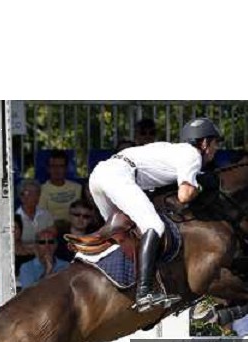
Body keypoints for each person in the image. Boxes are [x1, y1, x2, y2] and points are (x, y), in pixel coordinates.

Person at [88, 117, 222, 312]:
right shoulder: (192, 154)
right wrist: (200, 186)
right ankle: (144, 292)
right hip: (119, 175)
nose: (216, 149)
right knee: (154, 226)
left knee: (122, 233)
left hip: (100, 175)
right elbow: (184, 195)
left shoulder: (172, 151)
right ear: (203, 142)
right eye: (215, 143)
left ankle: (109, 276)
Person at [38, 150, 82, 226]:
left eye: (61, 166)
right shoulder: (41, 189)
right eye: (53, 166)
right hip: (50, 228)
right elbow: (41, 216)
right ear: (48, 169)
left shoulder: (77, 188)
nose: (57, 170)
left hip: (75, 228)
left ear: (66, 168)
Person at [15, 179, 54, 244]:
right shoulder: (15, 218)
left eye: (37, 193)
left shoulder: (46, 214)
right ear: (22, 197)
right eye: (30, 194)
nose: (35, 197)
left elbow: (53, 233)